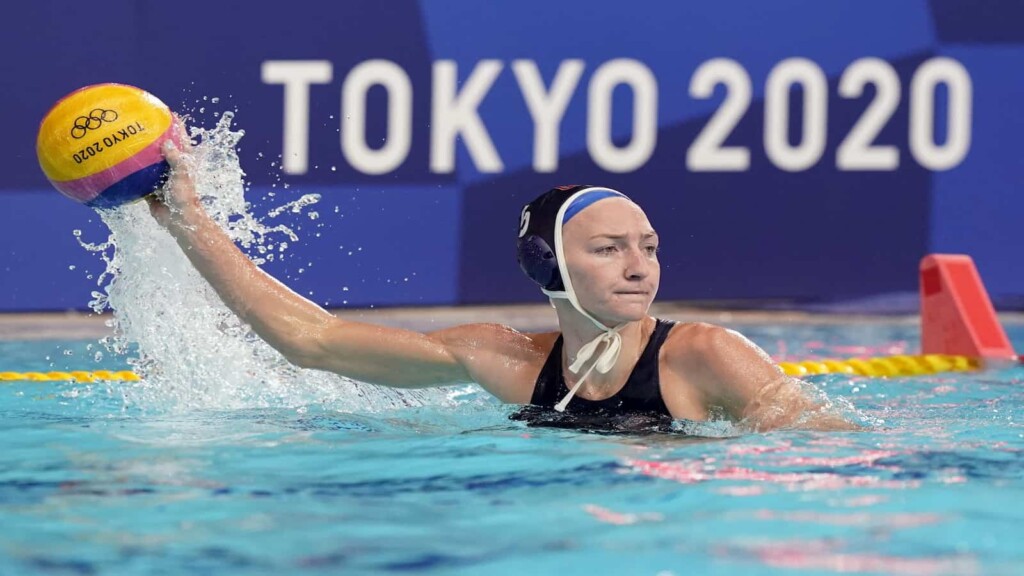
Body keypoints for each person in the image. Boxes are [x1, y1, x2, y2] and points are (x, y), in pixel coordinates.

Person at [149, 130, 857, 432]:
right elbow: (314, 341)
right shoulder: (505, 361)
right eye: (609, 249)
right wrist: (186, 218)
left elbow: (826, 446)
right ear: (546, 264)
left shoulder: (702, 355)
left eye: (648, 246)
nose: (640, 267)